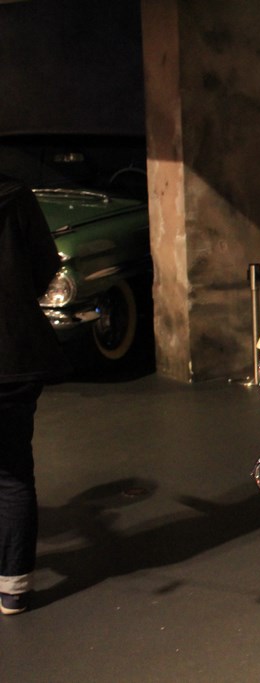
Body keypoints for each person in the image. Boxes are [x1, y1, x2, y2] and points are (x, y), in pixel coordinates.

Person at [0, 174, 69, 615]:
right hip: (12, 353)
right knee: (13, 474)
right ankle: (13, 587)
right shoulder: (16, 196)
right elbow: (46, 265)